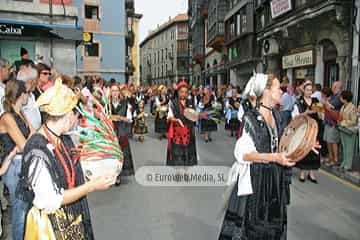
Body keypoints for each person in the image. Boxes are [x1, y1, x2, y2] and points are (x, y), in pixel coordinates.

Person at [218, 73, 318, 240]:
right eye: (278, 88)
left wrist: (306, 144)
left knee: (273, 228)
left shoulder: (277, 116)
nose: (281, 91)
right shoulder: (250, 119)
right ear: (266, 91)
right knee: (254, 229)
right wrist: (274, 158)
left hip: (275, 182)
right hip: (257, 182)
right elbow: (243, 154)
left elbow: (285, 143)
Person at [17, 79, 116, 239]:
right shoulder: (37, 150)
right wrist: (91, 186)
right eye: (76, 115)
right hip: (49, 227)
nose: (77, 120)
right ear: (69, 115)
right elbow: (50, 201)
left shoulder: (63, 139)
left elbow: (72, 168)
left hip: (71, 217)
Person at [0, 80, 32, 240]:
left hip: (23, 163)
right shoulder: (7, 117)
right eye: (27, 92)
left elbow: (34, 134)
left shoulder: (21, 114)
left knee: (27, 211)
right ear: (20, 95)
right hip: (13, 166)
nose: (29, 95)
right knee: (20, 212)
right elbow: (24, 144)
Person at [292, 83, 321, 183]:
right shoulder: (299, 101)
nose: (309, 92)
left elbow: (320, 113)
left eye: (310, 90)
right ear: (303, 90)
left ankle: (311, 173)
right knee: (304, 149)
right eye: (307, 90)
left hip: (315, 128)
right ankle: (302, 173)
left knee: (314, 150)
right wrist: (306, 113)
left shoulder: (316, 101)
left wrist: (320, 110)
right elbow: (295, 117)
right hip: (304, 128)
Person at [166, 80, 197, 166]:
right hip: (177, 133)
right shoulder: (173, 103)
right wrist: (176, 120)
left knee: (188, 153)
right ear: (178, 92)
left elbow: (194, 116)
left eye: (185, 92)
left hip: (189, 133)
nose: (183, 94)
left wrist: (194, 117)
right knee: (178, 155)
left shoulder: (190, 102)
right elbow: (169, 117)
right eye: (181, 92)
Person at [110, 84, 135, 181]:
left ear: (119, 92)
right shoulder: (107, 104)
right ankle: (114, 174)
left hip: (122, 131)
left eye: (116, 91)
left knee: (121, 153)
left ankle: (119, 174)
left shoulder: (125, 103)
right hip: (111, 133)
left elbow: (130, 119)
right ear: (110, 93)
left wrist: (121, 118)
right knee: (112, 154)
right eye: (113, 91)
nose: (115, 93)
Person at [323, 81, 343, 166]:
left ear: (340, 88)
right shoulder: (333, 96)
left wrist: (326, 103)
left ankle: (335, 159)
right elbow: (326, 106)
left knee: (333, 142)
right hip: (328, 122)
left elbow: (330, 106)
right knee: (328, 141)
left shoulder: (339, 97)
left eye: (335, 87)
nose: (333, 88)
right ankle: (331, 157)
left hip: (333, 123)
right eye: (333, 87)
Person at [17, 65, 42, 131]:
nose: (36, 83)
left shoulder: (32, 95)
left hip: (37, 131)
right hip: (27, 133)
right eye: (35, 80)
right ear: (30, 81)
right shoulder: (19, 97)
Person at [338, 90, 358, 170]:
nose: (340, 98)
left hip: (349, 130)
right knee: (344, 147)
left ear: (345, 98)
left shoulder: (352, 107)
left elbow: (353, 121)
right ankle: (344, 162)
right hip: (343, 130)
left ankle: (348, 165)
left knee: (349, 148)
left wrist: (342, 123)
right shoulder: (343, 106)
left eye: (341, 97)